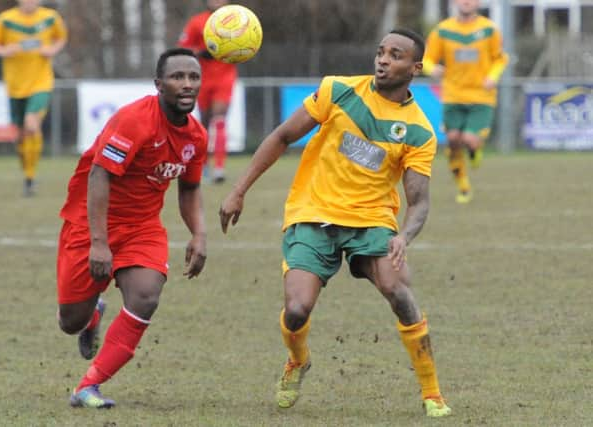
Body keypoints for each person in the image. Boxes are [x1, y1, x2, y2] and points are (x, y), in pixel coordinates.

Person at [219, 29, 452, 418]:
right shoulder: (338, 90)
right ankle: (298, 361)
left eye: (395, 55)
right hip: (313, 211)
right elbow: (281, 136)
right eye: (380, 52)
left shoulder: (418, 130)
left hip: (371, 220)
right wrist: (238, 190)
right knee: (296, 310)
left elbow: (419, 201)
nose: (382, 60)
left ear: (415, 67)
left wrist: (404, 237)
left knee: (399, 290)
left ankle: (432, 393)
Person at [56, 47, 208, 409]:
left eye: (193, 77)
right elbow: (99, 174)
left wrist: (199, 234)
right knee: (70, 321)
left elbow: (189, 187)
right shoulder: (135, 120)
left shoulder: (196, 137)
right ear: (159, 84)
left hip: (142, 227)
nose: (187, 84)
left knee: (146, 296)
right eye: (177, 77)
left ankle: (88, 385)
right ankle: (92, 314)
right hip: (90, 222)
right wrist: (99, 243)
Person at [423, 0, 508, 204]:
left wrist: (493, 77)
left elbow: (500, 58)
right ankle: (463, 186)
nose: (466, 1)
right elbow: (427, 58)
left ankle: (474, 149)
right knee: (452, 139)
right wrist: (431, 69)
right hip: (453, 95)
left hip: (481, 96)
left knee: (469, 139)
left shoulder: (489, 30)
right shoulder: (442, 31)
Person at [0, 0, 67, 197]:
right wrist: (4, 51)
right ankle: (28, 174)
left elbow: (61, 38)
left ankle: (31, 178)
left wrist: (52, 49)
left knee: (32, 124)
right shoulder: (5, 20)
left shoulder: (50, 18)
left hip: (41, 82)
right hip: (15, 86)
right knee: (21, 135)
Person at [178, 0, 235, 184]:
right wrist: (202, 52)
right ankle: (202, 166)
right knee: (204, 123)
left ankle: (219, 168)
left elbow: (245, 43)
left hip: (225, 76)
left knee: (219, 119)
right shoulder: (197, 22)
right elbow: (183, 48)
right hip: (202, 77)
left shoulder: (235, 21)